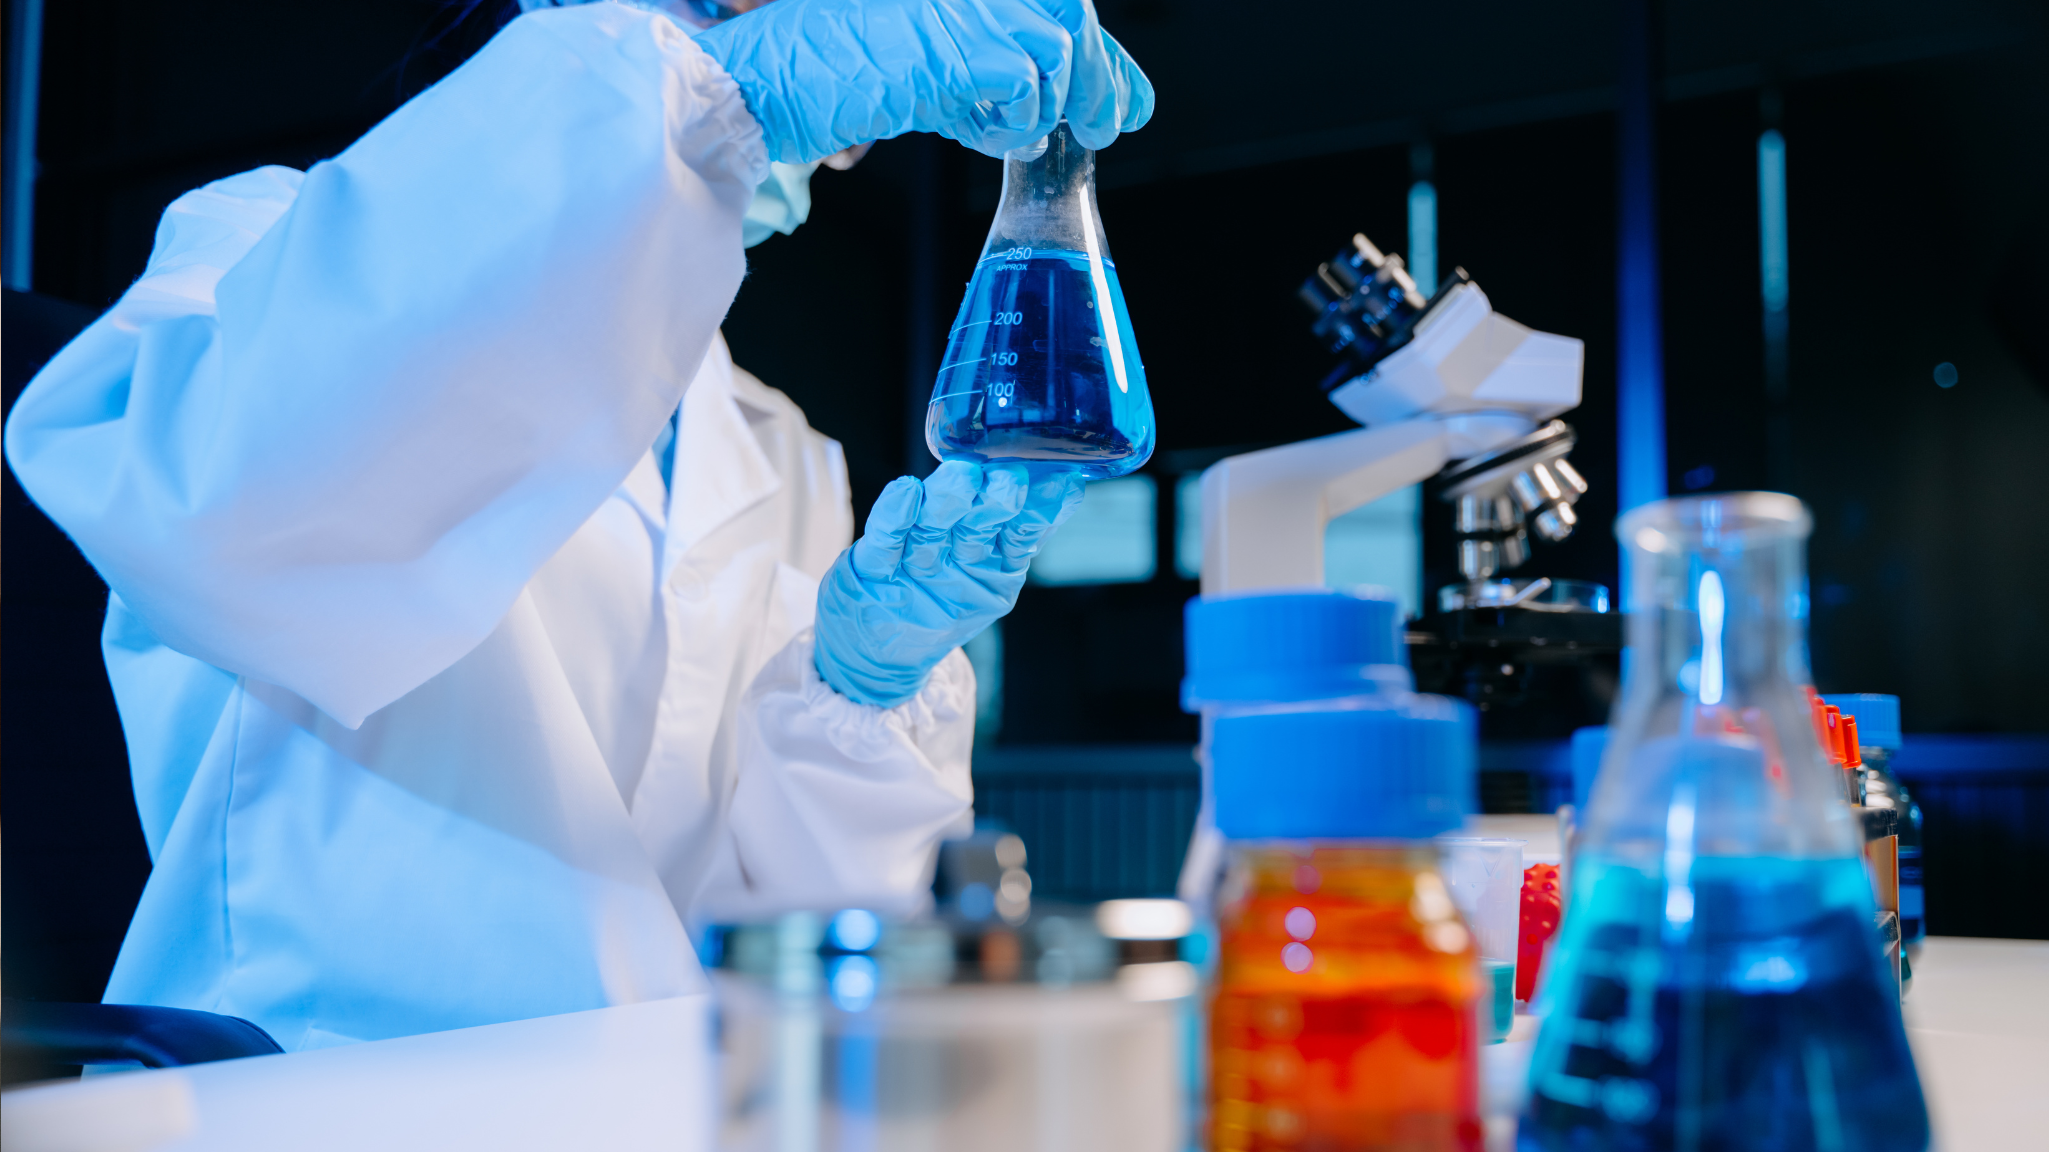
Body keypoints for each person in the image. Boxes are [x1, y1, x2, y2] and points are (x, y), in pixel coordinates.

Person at [3, 0, 1151, 1050]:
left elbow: (808, 929)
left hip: (663, 1096)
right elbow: (217, 509)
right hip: (319, 1091)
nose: (833, 144)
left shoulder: (782, 448)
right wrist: (722, 93)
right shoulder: (259, 246)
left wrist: (860, 693)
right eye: (744, 17)